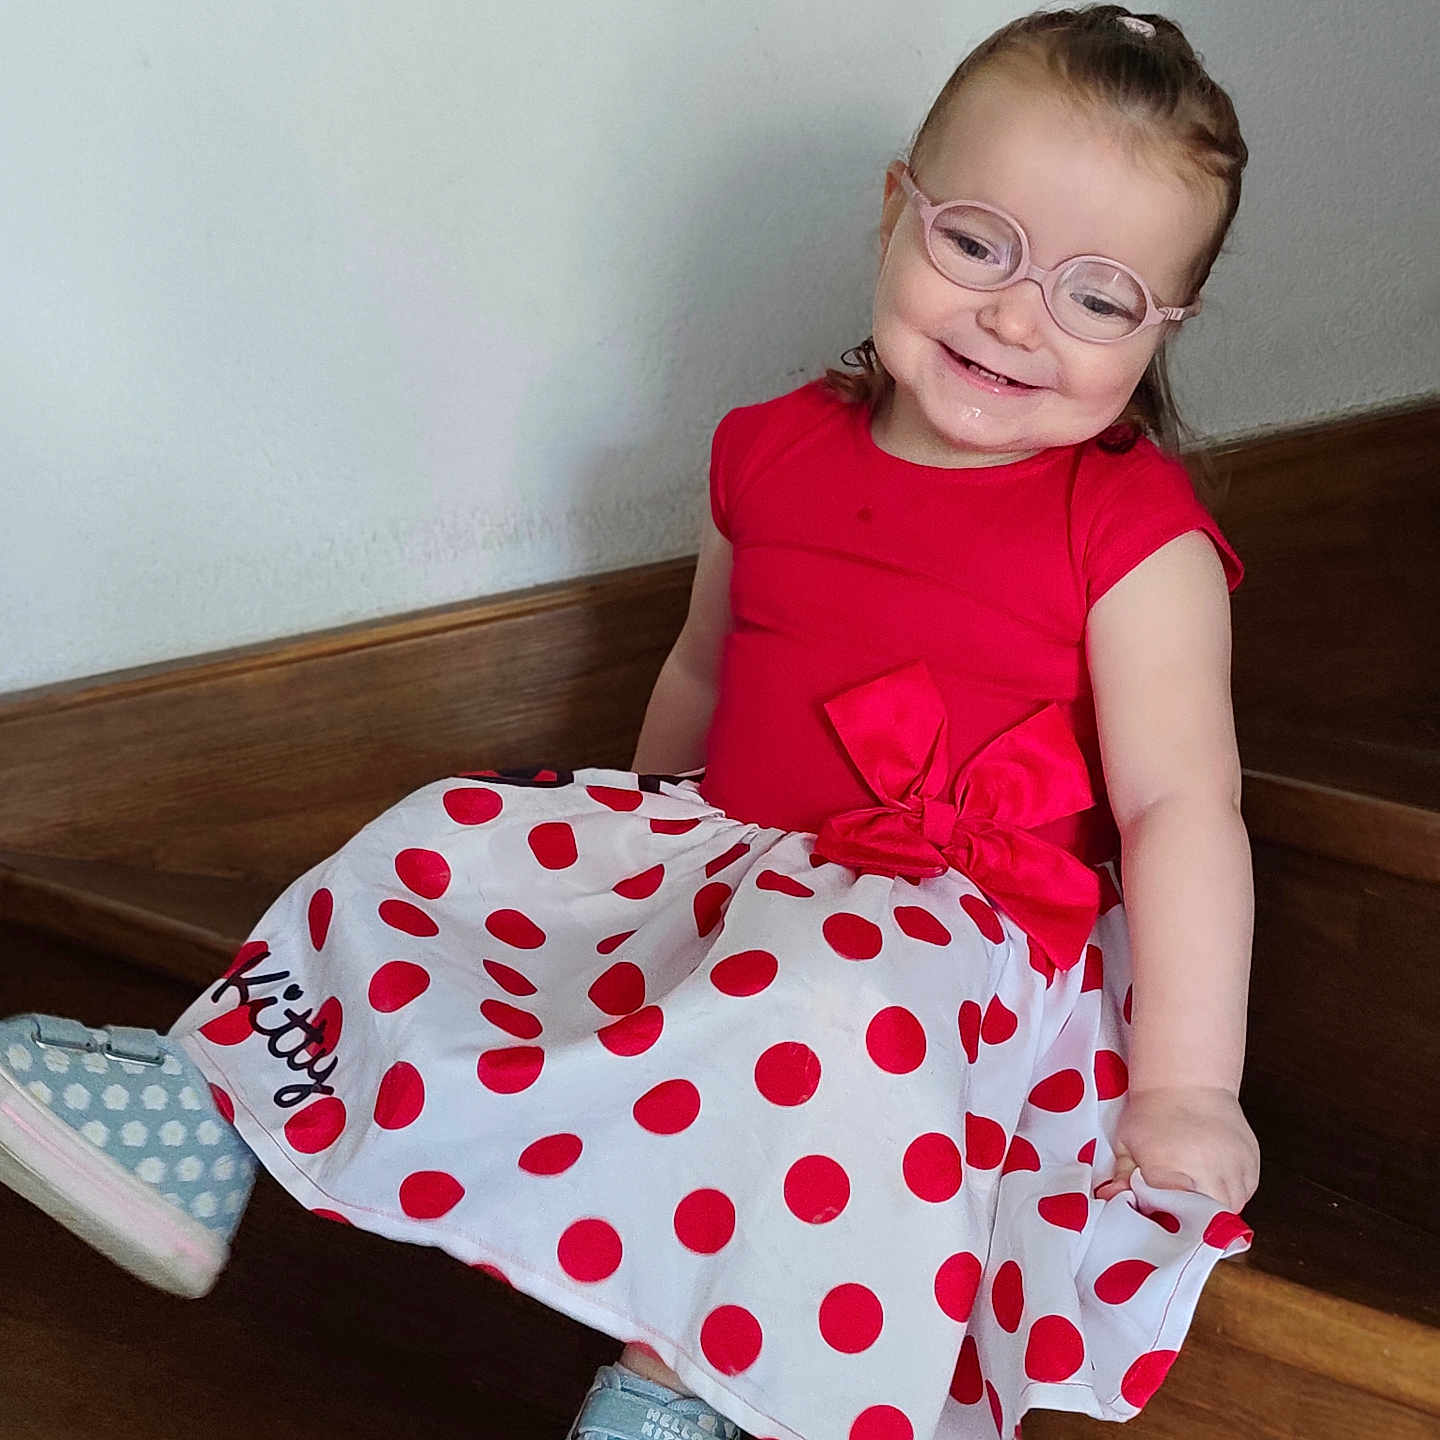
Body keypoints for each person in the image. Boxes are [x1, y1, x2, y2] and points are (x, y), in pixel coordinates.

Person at [0, 7, 1262, 1438]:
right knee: (456, 836)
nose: (1017, 315)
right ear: (898, 208)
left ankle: (685, 1393)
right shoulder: (774, 449)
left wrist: (1186, 1088)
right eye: (979, 243)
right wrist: (632, 878)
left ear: (1164, 328)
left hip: (946, 935)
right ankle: (208, 1111)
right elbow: (705, 677)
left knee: (826, 1011)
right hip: (740, 852)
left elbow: (1179, 811)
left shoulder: (1130, 533)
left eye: (1099, 296)